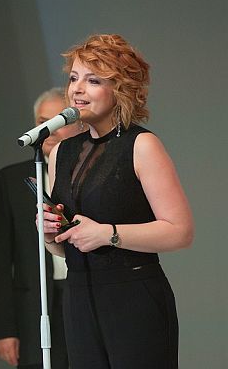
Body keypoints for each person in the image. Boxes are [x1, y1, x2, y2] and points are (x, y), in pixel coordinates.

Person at [41, 34, 194, 368]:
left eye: (93, 80)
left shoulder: (141, 146)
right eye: (74, 78)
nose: (77, 89)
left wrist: (108, 233)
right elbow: (65, 247)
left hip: (133, 297)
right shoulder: (61, 153)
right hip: (79, 298)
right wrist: (51, 234)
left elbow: (180, 231)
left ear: (121, 89)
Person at [0, 87, 83, 368]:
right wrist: (3, 329)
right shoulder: (11, 180)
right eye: (43, 121)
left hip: (86, 294)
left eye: (58, 121)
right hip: (35, 309)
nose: (49, 130)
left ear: (79, 124)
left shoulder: (92, 172)